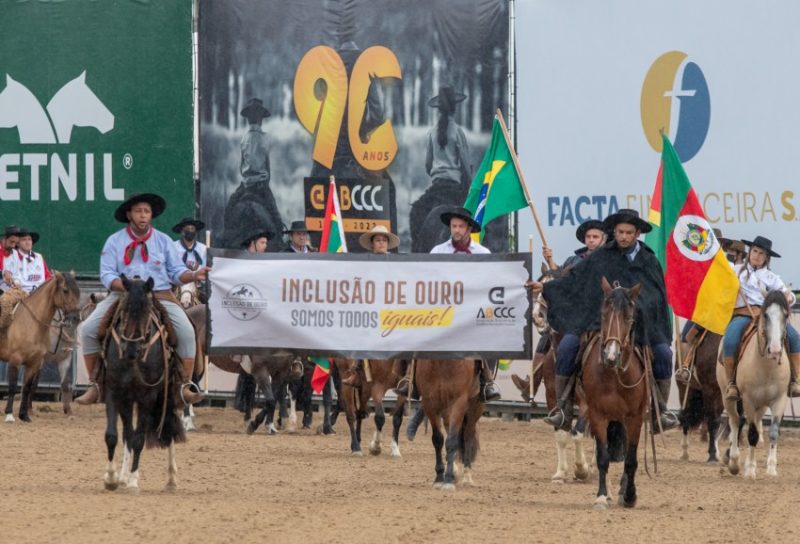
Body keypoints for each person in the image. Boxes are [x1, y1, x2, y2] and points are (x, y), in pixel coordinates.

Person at [530, 209, 678, 432]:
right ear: (614, 233)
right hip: (599, 320)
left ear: (637, 233)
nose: (624, 237)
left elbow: (656, 295)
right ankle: (562, 408)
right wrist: (546, 287)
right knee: (568, 346)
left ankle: (661, 410)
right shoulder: (601, 256)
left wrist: (635, 309)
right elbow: (576, 279)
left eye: (629, 232)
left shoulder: (649, 260)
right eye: (620, 232)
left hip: (640, 324)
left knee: (665, 354)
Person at [75, 193, 209, 406]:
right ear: (129, 215)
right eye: (138, 211)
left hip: (160, 294)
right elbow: (107, 274)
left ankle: (184, 385)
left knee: (186, 331)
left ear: (151, 215)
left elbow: (176, 272)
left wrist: (194, 275)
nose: (143, 215)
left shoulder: (164, 241)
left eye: (146, 211)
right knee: (89, 328)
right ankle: (95, 385)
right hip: (123, 294)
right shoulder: (114, 241)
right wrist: (129, 286)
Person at [394, 207, 500, 402]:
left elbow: (490, 282)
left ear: (469, 229)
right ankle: (410, 377)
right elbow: (428, 280)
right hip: (441, 310)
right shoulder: (438, 251)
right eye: (454, 226)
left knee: (487, 336)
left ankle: (487, 381)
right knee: (417, 332)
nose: (457, 230)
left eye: (460, 226)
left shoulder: (482, 253)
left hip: (470, 311)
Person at [720, 235, 800, 400]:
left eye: (761, 253)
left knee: (794, 337)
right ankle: (731, 384)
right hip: (742, 315)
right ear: (749, 252)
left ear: (767, 258)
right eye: (754, 251)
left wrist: (788, 296)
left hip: (767, 317)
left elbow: (789, 294)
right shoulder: (735, 270)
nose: (756, 255)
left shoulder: (772, 278)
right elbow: (717, 266)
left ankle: (795, 380)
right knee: (730, 340)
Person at [409, 86, 471, 252]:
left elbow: (428, 165)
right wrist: (469, 187)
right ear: (455, 107)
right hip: (454, 188)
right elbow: (465, 165)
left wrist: (437, 172)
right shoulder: (458, 132)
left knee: (416, 212)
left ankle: (416, 251)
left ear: (438, 109)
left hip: (437, 186)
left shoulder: (431, 133)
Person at [341, 225, 401, 387]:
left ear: (388, 244)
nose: (381, 243)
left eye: (384, 240)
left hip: (393, 311)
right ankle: (355, 368)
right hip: (370, 311)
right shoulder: (364, 264)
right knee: (361, 333)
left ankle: (408, 376)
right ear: (372, 244)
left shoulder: (398, 263)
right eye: (378, 240)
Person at [222, 98, 283, 251]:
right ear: (261, 119)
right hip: (261, 186)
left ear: (248, 119)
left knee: (229, 210)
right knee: (276, 219)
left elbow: (241, 164)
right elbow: (267, 165)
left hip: (245, 185)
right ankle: (280, 241)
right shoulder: (266, 138)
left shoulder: (243, 139)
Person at [5, 228, 51, 293]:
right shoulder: (11, 257)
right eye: (24, 240)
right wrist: (13, 283)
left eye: (29, 239)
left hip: (40, 294)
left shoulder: (39, 257)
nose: (27, 242)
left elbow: (47, 277)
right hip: (19, 293)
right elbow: (7, 277)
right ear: (18, 244)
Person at [0, 225, 21, 292]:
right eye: (12, 242)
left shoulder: (15, 253)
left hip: (8, 291)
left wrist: (17, 283)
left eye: (16, 243)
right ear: (5, 238)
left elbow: (17, 274)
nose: (13, 246)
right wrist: (3, 273)